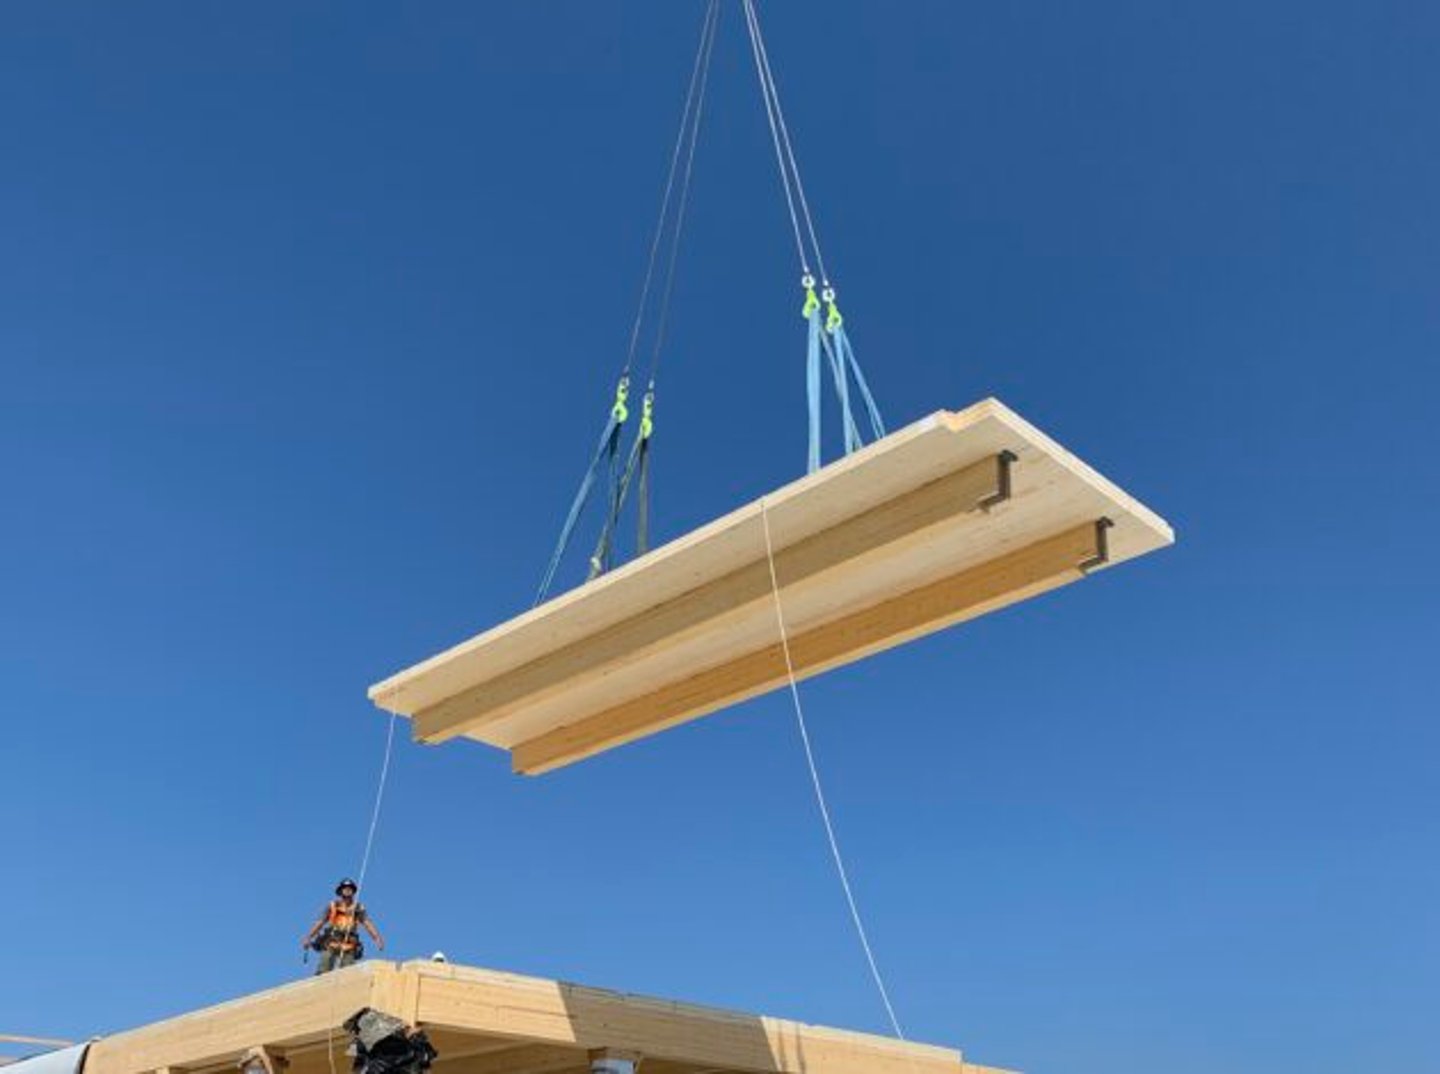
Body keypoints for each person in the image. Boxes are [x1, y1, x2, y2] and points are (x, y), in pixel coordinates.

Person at [302, 878, 385, 974]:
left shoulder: (357, 908)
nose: (347, 890)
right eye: (345, 888)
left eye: (350, 888)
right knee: (324, 967)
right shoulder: (333, 906)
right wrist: (309, 937)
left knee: (348, 972)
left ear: (353, 891)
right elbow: (320, 922)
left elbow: (367, 923)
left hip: (348, 944)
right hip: (332, 942)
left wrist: (377, 938)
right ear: (340, 891)